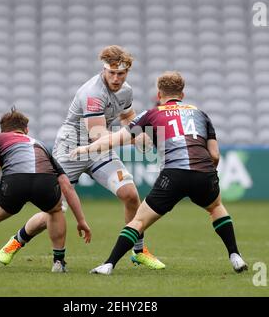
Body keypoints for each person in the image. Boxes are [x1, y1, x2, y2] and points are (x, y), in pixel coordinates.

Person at [0, 45, 165, 270]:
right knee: (56, 209)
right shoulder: (93, 93)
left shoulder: (126, 90)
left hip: (99, 151)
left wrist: (138, 132)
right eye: (111, 72)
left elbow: (128, 116)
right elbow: (99, 134)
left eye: (121, 74)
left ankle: (138, 250)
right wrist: (137, 139)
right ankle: (17, 240)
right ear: (104, 69)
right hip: (71, 150)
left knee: (130, 194)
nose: (116, 78)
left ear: (127, 72)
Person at [71, 71, 248, 275]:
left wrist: (85, 149)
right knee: (216, 207)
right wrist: (208, 174)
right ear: (182, 94)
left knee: (138, 221)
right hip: (203, 172)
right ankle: (235, 256)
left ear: (159, 94)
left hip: (173, 175)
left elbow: (115, 139)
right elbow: (215, 155)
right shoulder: (200, 114)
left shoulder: (151, 114)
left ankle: (108, 264)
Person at [0, 108, 91, 273]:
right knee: (55, 211)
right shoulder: (40, 144)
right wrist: (81, 220)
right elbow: (66, 184)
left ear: (3, 129)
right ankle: (58, 263)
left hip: (16, 181)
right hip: (44, 182)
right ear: (26, 130)